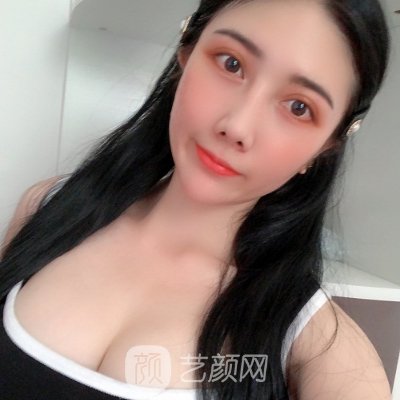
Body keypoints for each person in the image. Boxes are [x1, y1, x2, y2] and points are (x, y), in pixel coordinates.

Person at [0, 0, 392, 399]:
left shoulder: (321, 349)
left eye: (298, 107)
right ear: (185, 55)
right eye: (231, 64)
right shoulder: (48, 207)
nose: (237, 126)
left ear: (326, 146)